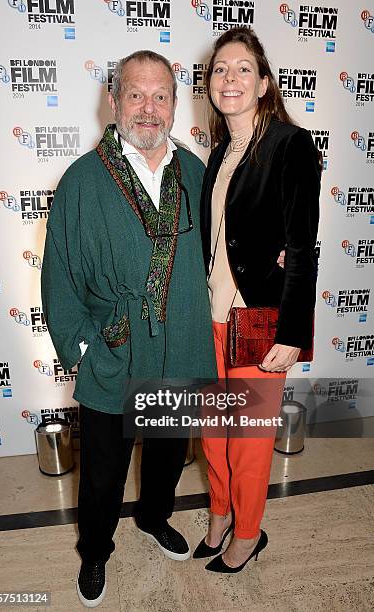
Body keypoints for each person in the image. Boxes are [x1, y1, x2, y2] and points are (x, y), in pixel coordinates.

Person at [41, 50, 217, 607]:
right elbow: (58, 277)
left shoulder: (196, 173)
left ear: (174, 102)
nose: (148, 108)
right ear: (113, 100)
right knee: (101, 471)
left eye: (160, 95)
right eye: (136, 95)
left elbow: (227, 251)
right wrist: (85, 347)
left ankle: (153, 518)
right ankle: (94, 550)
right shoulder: (80, 181)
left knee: (167, 454)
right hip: (113, 353)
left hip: (181, 347)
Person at [193, 27, 321, 573]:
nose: (231, 78)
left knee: (248, 440)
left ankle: (248, 533)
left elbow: (301, 248)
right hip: (210, 319)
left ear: (264, 83)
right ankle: (219, 513)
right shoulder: (219, 154)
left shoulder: (290, 145)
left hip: (261, 319)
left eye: (244, 68)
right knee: (213, 434)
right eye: (221, 69)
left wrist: (292, 334)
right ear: (210, 85)